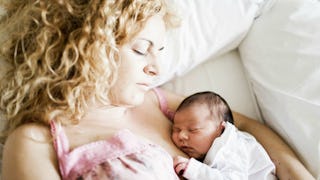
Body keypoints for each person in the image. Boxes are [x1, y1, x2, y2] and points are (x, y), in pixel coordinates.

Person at [0, 0, 314, 179]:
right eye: (141, 50)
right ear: (87, 47)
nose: (156, 68)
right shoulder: (35, 140)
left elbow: (241, 126)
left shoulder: (159, 104)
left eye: (160, 50)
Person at [171, 91, 276, 179]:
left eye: (193, 129)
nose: (181, 135)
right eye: (176, 129)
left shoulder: (231, 148)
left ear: (220, 130)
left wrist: (194, 170)